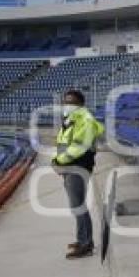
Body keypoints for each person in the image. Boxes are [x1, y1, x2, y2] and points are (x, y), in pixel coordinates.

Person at [53, 89, 104, 259]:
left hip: (78, 167)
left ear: (81, 104)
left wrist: (60, 162)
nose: (67, 105)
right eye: (66, 102)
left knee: (78, 205)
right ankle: (82, 238)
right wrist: (57, 161)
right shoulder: (70, 120)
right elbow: (62, 145)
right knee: (76, 206)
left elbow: (78, 147)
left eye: (72, 102)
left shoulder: (85, 120)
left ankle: (86, 243)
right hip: (70, 167)